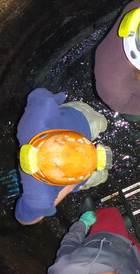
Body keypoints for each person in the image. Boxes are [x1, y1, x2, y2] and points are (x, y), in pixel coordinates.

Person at [15, 88, 112, 225]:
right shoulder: (38, 196)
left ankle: (102, 124)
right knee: (99, 123)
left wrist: (70, 186)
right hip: (81, 119)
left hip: (80, 119)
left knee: (102, 175)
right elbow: (23, 221)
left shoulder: (36, 119)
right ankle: (102, 124)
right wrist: (70, 187)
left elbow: (25, 219)